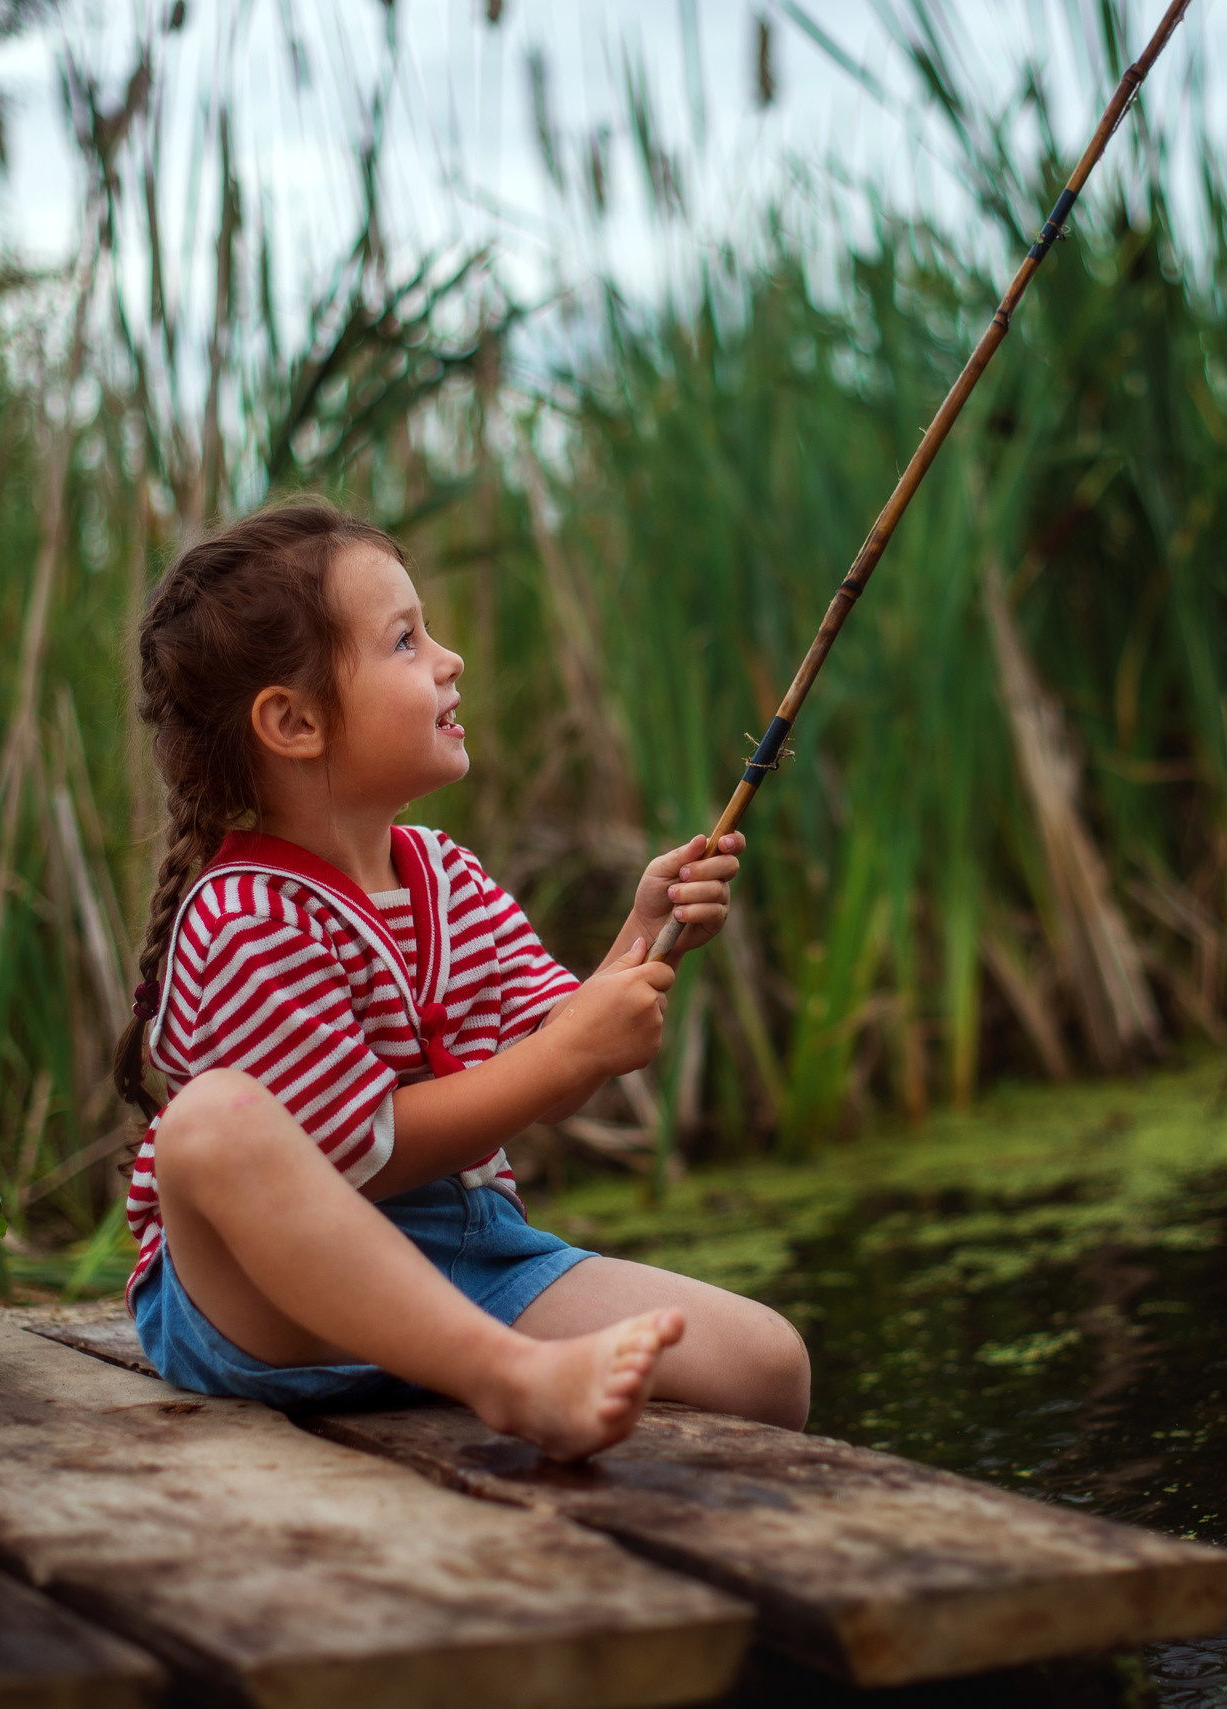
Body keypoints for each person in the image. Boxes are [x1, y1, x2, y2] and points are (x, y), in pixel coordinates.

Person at [109, 501, 809, 1461]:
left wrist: (642, 940)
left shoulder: (449, 876)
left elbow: (550, 1058)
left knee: (768, 1365)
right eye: (405, 640)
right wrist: (569, 1052)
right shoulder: (246, 920)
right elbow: (363, 1155)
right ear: (295, 721)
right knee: (210, 1121)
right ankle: (509, 1378)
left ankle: (474, 1355)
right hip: (271, 1304)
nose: (451, 659)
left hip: (466, 1254)